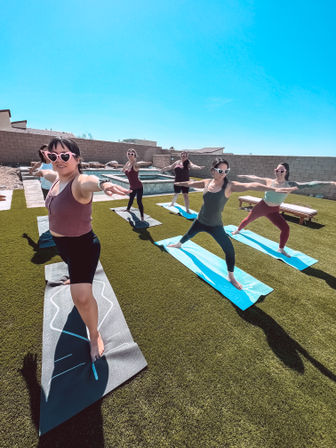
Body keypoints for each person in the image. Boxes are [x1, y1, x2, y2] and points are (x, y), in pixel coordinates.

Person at [34, 137, 130, 361]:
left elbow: (91, 181)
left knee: (81, 298)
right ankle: (74, 275)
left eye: (65, 156)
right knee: (73, 273)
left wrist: (104, 184)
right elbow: (48, 174)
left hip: (83, 247)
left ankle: (94, 334)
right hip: (63, 245)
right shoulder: (57, 180)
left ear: (76, 159)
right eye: (53, 156)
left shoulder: (79, 182)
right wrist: (39, 172)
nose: (59, 160)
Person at [168, 158, 295, 289]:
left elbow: (250, 186)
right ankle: (178, 244)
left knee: (229, 250)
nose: (224, 173)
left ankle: (231, 277)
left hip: (215, 226)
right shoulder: (207, 182)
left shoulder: (229, 186)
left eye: (226, 171)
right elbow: (191, 183)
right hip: (200, 220)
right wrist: (179, 182)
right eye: (220, 170)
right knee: (188, 234)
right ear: (213, 171)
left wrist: (272, 189)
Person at [232, 162, 336, 257]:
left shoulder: (291, 185)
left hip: (274, 210)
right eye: (277, 170)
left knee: (285, 228)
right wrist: (244, 176)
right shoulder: (269, 181)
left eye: (282, 171)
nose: (279, 172)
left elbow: (310, 184)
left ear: (286, 172)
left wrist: (329, 183)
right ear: (275, 171)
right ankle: (237, 230)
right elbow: (255, 177)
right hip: (262, 206)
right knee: (248, 219)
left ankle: (281, 249)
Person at [122, 149, 151, 221]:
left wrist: (147, 163)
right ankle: (128, 209)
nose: (130, 155)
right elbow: (123, 170)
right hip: (132, 186)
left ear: (134, 155)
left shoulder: (135, 164)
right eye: (128, 154)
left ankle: (142, 218)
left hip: (138, 186)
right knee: (131, 198)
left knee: (139, 201)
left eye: (131, 154)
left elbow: (140, 163)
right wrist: (124, 169)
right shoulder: (128, 163)